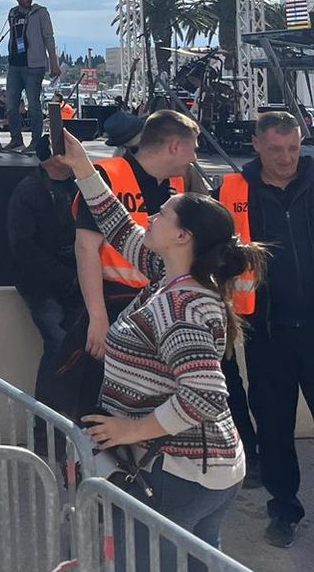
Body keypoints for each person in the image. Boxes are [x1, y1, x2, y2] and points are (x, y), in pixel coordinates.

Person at [55, 128, 268, 559]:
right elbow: (119, 227)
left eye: (164, 214)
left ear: (183, 237)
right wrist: (82, 168)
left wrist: (131, 430)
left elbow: (204, 396)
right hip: (201, 470)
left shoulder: (181, 306)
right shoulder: (170, 274)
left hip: (181, 475)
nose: (152, 216)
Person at [220, 111, 314, 548]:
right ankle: (284, 511)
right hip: (267, 332)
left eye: (293, 148)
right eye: (276, 149)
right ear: (256, 144)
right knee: (275, 428)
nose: (286, 158)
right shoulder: (234, 191)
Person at [75, 111, 195, 367]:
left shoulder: (177, 184)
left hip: (159, 302)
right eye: (193, 148)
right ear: (175, 146)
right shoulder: (107, 175)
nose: (195, 157)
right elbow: (86, 248)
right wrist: (98, 317)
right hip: (114, 300)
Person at [5, 135, 79, 409]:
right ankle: (48, 420)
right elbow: (23, 246)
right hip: (42, 285)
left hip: (78, 281)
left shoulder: (80, 187)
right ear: (54, 158)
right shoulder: (28, 191)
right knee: (58, 343)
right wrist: (64, 277)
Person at [5, 0, 60, 154]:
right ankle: (16, 138)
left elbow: (49, 37)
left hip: (34, 66)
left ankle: (36, 140)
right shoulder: (13, 13)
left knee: (34, 105)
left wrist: (53, 62)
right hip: (15, 64)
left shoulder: (40, 13)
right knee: (11, 105)